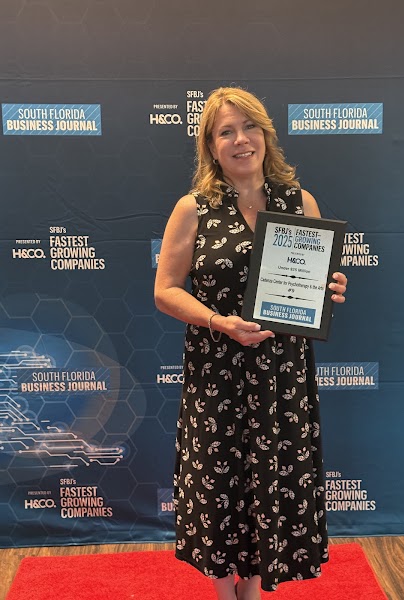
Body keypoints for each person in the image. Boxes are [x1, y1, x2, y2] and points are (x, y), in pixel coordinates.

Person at [154, 87, 347, 600]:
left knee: (272, 478)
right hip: (217, 372)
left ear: (265, 135)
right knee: (217, 484)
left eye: (249, 127)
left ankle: (254, 589)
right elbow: (165, 290)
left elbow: (312, 282)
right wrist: (219, 322)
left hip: (281, 375)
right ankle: (224, 591)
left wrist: (329, 288)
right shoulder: (193, 208)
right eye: (226, 131)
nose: (241, 140)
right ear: (211, 147)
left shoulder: (299, 203)